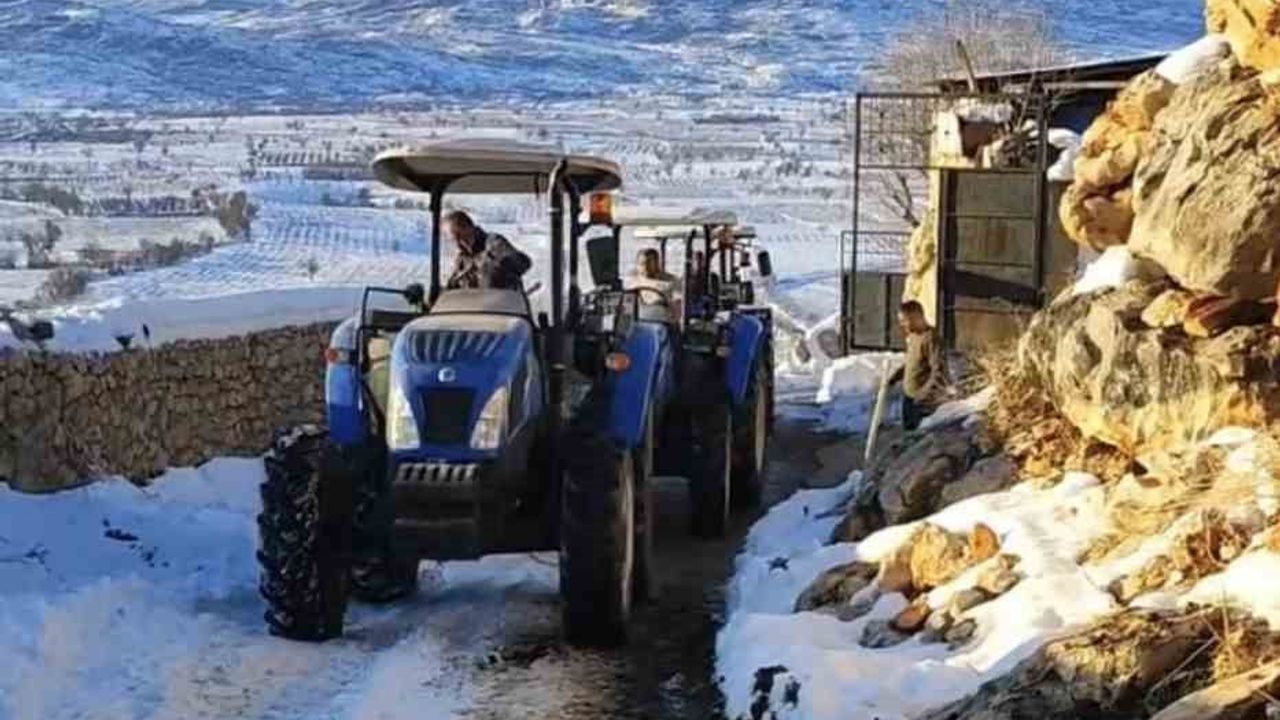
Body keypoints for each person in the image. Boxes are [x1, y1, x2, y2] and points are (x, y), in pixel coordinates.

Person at [890, 300, 950, 431]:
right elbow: (913, 363)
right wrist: (895, 377)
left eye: (905, 320)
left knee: (919, 439)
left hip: (923, 403)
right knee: (908, 434)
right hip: (909, 398)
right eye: (901, 321)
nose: (902, 325)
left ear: (917, 317)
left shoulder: (930, 339)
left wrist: (923, 394)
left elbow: (938, 372)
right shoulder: (913, 336)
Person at [443, 210, 532, 291]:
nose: (458, 244)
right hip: (476, 306)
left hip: (505, 305)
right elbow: (452, 287)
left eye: (460, 237)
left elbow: (524, 263)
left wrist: (492, 263)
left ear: (469, 227)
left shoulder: (494, 243)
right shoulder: (462, 260)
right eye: (453, 240)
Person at [624, 248, 681, 320]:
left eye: (649, 263)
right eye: (642, 264)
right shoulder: (632, 280)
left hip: (661, 319)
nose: (645, 268)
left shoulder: (670, 281)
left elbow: (678, 303)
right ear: (637, 265)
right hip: (637, 318)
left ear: (656, 263)